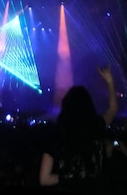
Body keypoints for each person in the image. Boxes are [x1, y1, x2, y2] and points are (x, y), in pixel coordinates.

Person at [39, 65, 118, 194]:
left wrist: (67, 176)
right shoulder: (96, 126)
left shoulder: (56, 133)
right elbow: (113, 109)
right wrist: (110, 81)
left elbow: (44, 179)